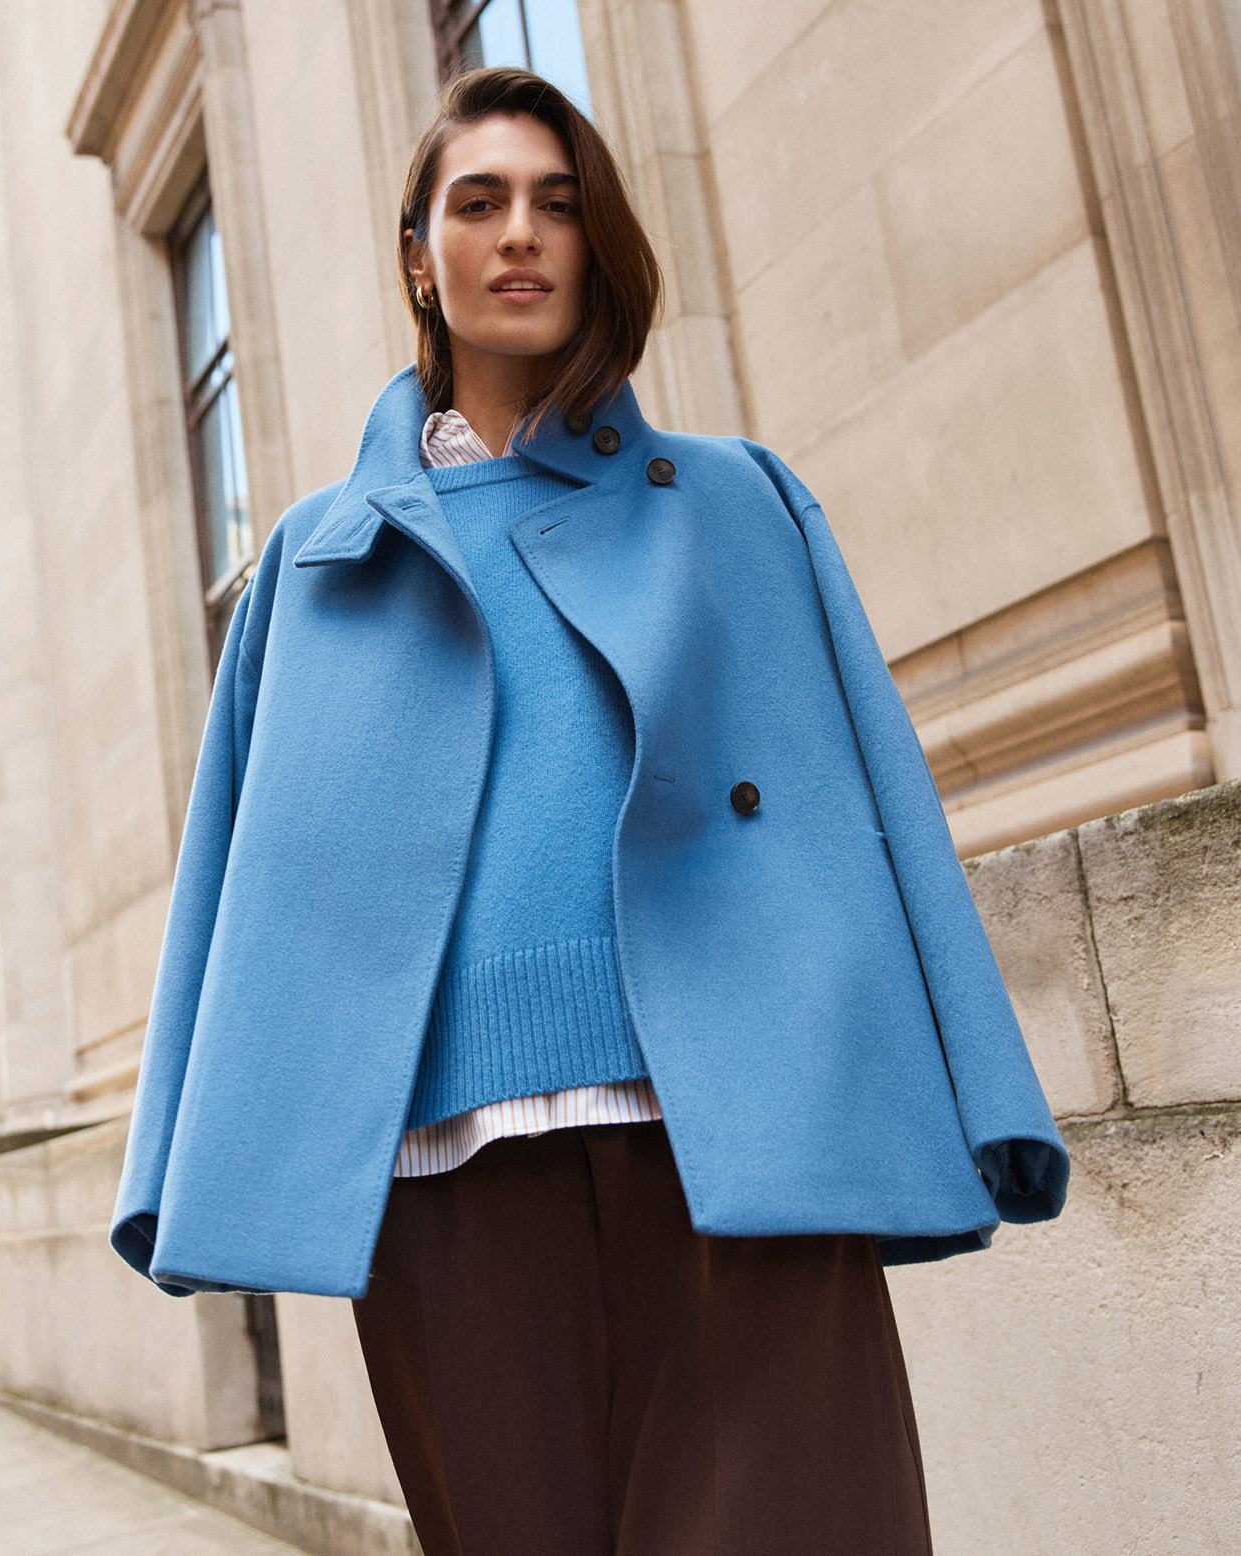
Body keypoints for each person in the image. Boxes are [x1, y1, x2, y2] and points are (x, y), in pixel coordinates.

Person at [109, 66, 1069, 1556]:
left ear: (599, 238)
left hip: (732, 1135)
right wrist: (180, 1163)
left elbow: (883, 801)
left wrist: (988, 1101)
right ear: (418, 260)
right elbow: (234, 885)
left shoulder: (740, 504)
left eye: (559, 203)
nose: (521, 235)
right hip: (448, 1176)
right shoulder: (312, 563)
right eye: (477, 204)